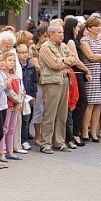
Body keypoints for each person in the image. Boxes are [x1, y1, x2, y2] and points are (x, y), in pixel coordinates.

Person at [36, 24, 74, 153]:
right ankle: (45, 143)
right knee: (50, 114)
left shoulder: (63, 46)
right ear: (51, 34)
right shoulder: (45, 48)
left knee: (62, 114)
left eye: (62, 32)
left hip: (64, 80)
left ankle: (59, 142)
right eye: (59, 33)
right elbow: (54, 65)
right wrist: (64, 61)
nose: (62, 35)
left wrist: (62, 61)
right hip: (51, 82)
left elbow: (73, 59)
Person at [79, 17, 101, 142]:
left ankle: (94, 131)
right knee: (90, 103)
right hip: (91, 72)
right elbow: (90, 57)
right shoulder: (84, 40)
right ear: (89, 27)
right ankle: (84, 131)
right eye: (96, 26)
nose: (99, 28)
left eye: (100, 25)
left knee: (99, 104)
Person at [0, 51, 23, 161]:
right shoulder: (3, 76)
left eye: (14, 61)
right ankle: (1, 152)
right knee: (4, 128)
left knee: (12, 129)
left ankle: (10, 151)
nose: (12, 63)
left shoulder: (16, 76)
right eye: (9, 60)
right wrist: (17, 100)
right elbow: (9, 91)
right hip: (8, 104)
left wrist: (20, 102)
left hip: (16, 105)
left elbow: (21, 90)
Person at [18, 43, 37, 150]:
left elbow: (34, 81)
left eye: (25, 52)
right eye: (21, 52)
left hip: (28, 95)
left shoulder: (31, 66)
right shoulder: (17, 67)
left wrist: (34, 94)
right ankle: (18, 139)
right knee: (18, 119)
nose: (24, 55)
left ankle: (24, 140)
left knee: (26, 118)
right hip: (20, 94)